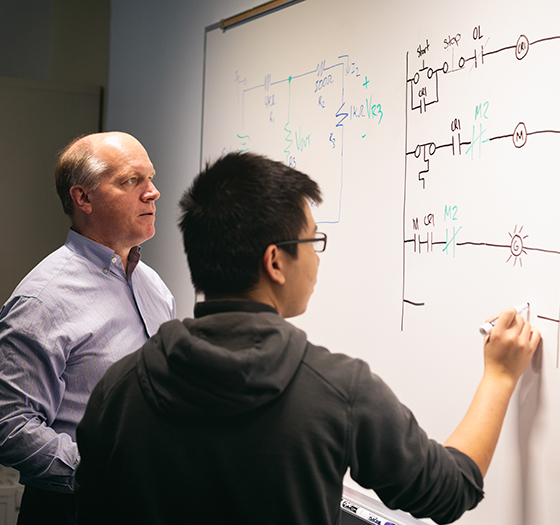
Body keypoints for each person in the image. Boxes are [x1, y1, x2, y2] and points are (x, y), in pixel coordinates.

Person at [75, 152, 540, 525]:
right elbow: (450, 491)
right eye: (312, 243)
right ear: (275, 262)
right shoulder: (337, 389)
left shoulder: (117, 390)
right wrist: (499, 377)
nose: (317, 261)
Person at [0, 132, 176, 525]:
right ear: (83, 199)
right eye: (132, 181)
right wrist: (106, 472)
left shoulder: (154, 287)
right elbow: (9, 427)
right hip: (74, 510)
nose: (153, 193)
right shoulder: (42, 300)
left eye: (150, 178)